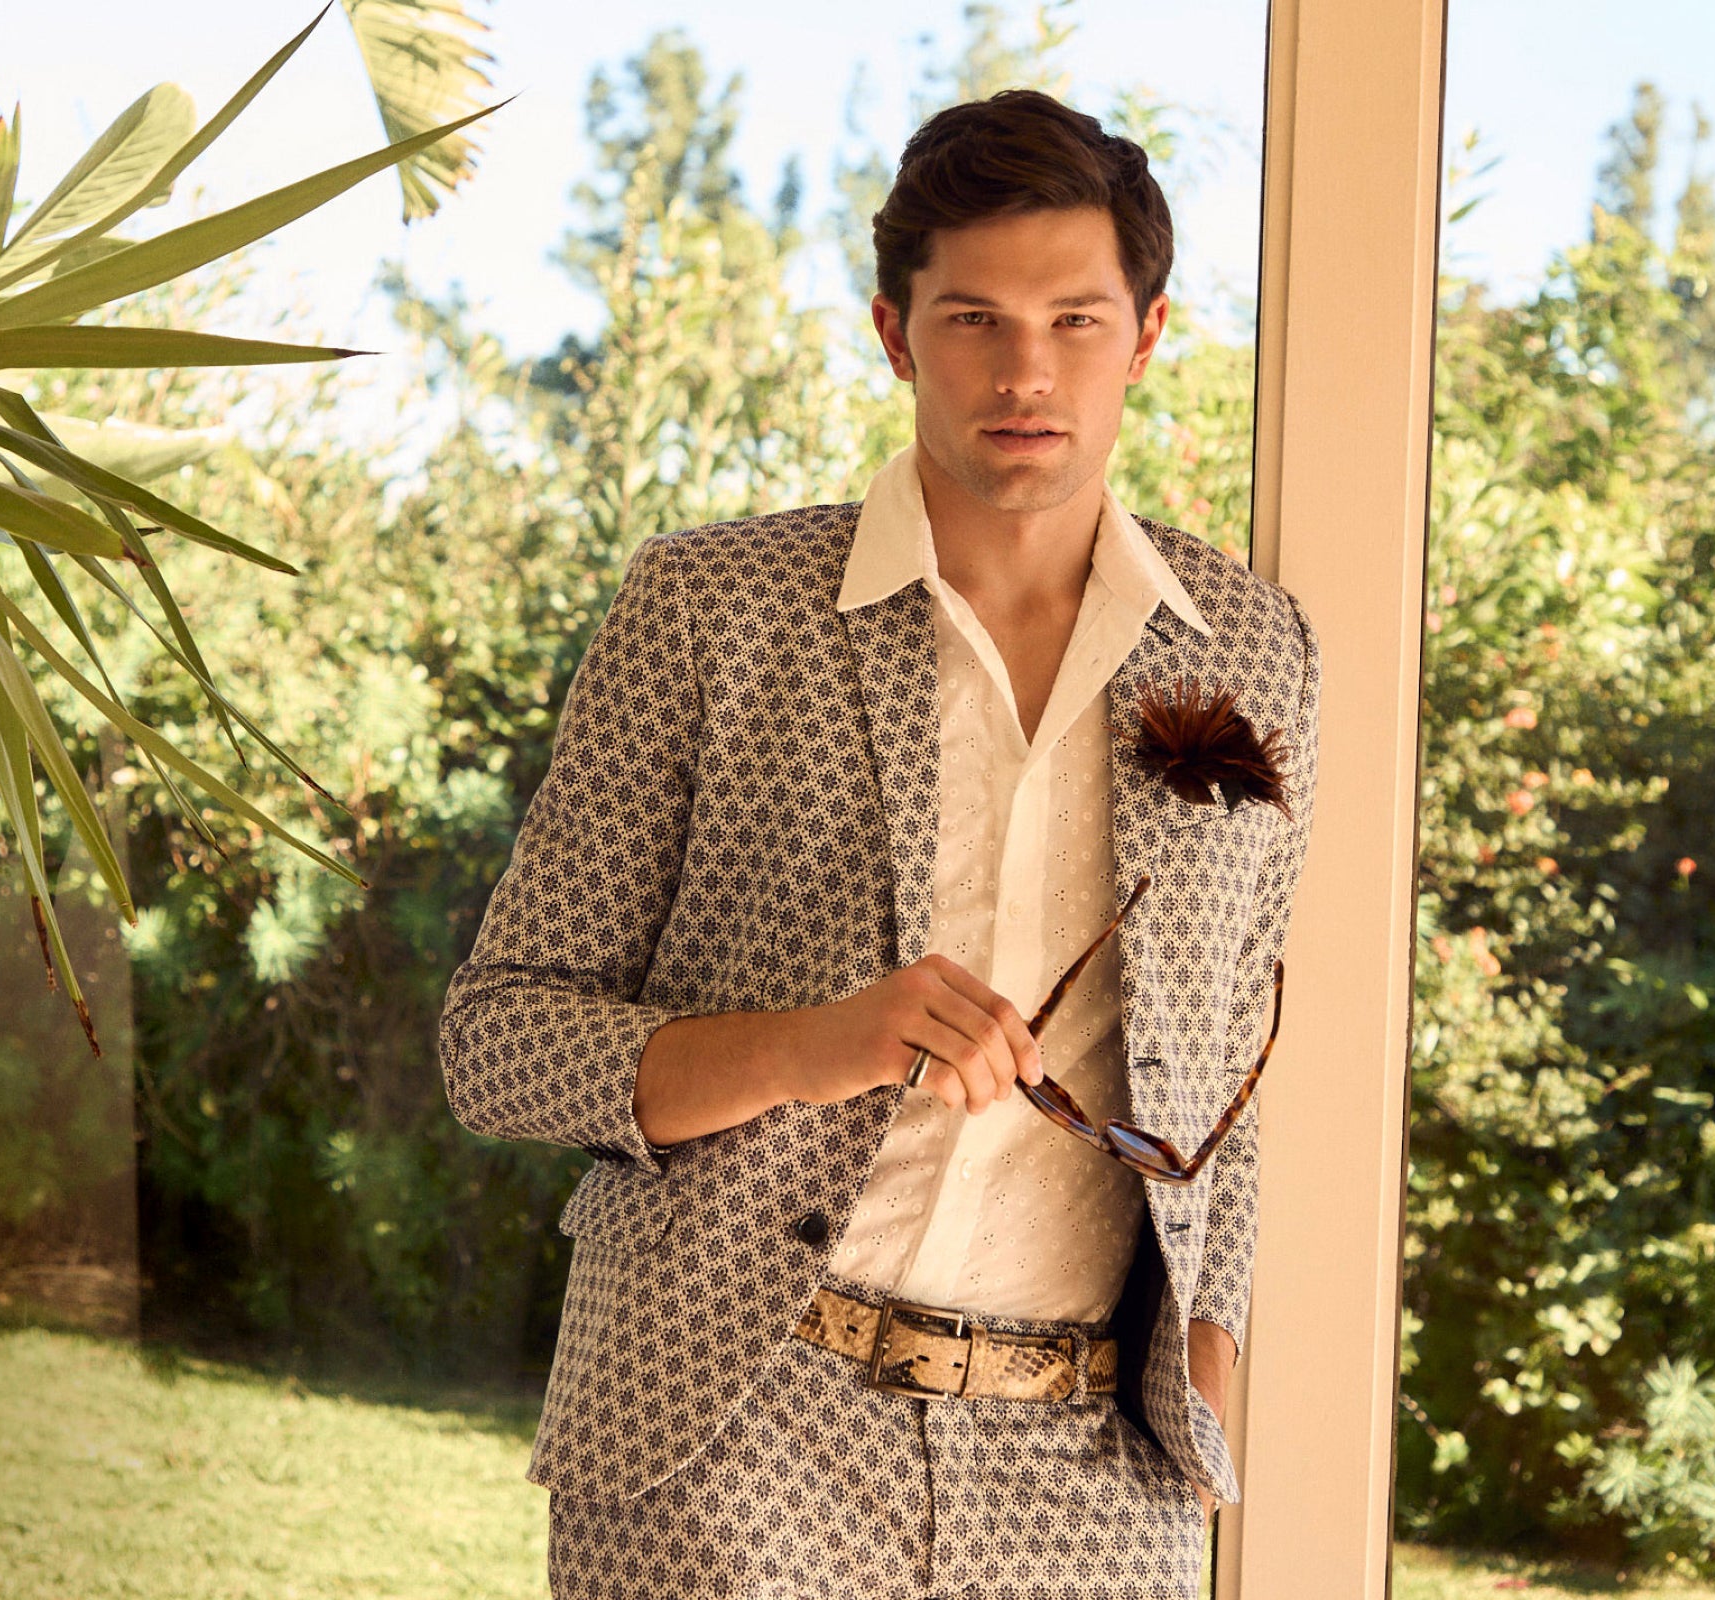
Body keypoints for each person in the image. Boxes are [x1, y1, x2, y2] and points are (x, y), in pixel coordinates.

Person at [438, 86, 1320, 1600]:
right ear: (897, 333)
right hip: (731, 1437)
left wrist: (1214, 1368)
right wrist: (815, 1044)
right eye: (973, 320)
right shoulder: (710, 611)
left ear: (1149, 334)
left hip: (1094, 1477)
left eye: (1076, 321)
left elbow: (1232, 1051)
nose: (1025, 372)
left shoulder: (1253, 648)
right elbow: (497, 1042)